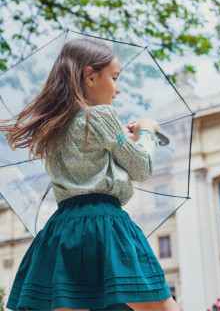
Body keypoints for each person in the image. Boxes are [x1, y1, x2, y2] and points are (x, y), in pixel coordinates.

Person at [1, 39, 182, 311]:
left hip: (62, 229)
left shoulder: (55, 126)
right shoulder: (100, 116)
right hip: (104, 224)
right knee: (162, 308)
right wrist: (147, 131)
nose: (118, 89)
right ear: (90, 76)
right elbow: (142, 167)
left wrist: (122, 138)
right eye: (114, 77)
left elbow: (91, 155)